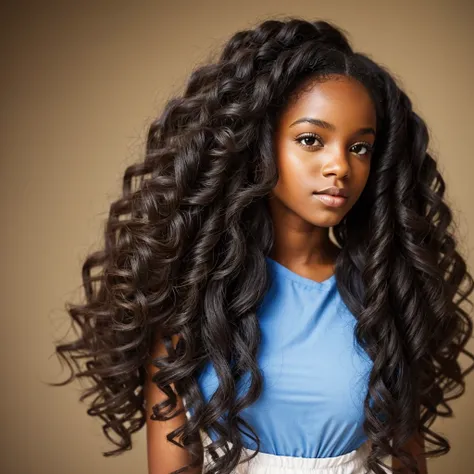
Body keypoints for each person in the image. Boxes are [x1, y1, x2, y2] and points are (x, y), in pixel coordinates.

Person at [50, 17, 474, 474]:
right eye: (311, 140)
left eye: (360, 148)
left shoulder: (386, 290)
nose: (339, 167)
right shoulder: (189, 295)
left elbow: (409, 462)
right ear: (258, 145)